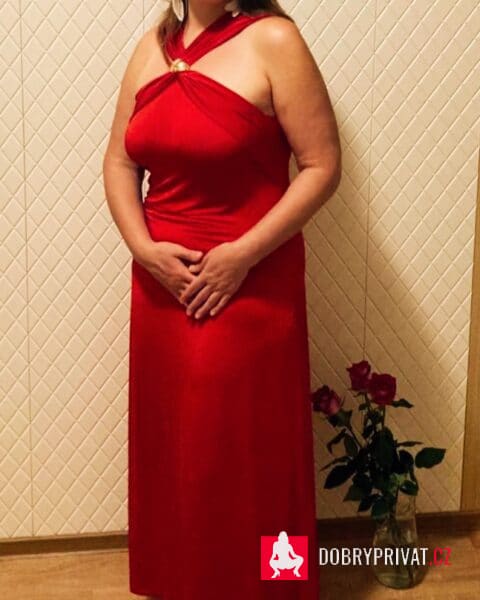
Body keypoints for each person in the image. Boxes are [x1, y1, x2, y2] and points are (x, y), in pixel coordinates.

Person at [103, 0, 341, 598]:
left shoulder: (275, 40)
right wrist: (143, 248)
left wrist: (242, 256)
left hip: (250, 281)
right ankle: (183, 583)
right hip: (161, 285)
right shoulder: (152, 47)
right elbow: (120, 160)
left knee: (245, 449)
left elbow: (322, 166)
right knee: (176, 448)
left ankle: (272, 587)